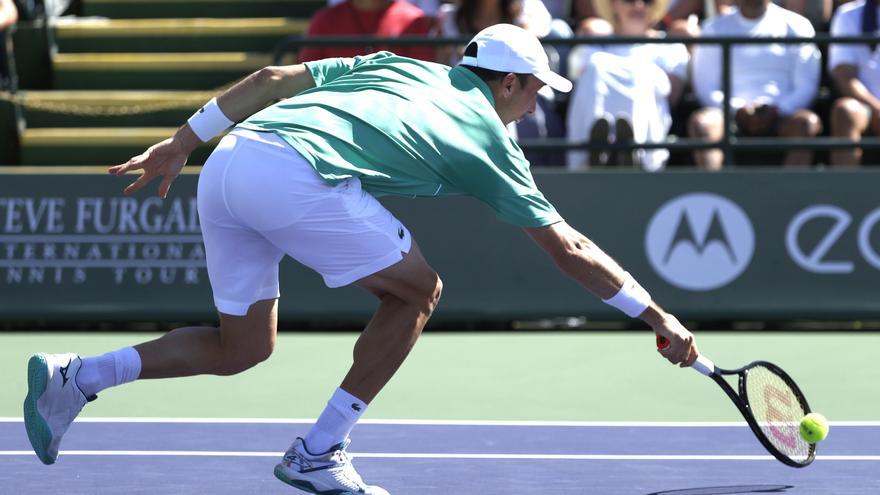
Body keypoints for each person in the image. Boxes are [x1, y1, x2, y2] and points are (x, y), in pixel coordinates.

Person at [23, 23, 699, 494]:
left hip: (229, 160)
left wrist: (182, 142)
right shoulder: (492, 141)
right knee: (419, 290)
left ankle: (76, 378)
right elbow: (570, 249)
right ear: (509, 84)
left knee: (243, 346)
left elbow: (271, 76)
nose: (532, 107)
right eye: (534, 92)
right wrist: (659, 316)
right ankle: (319, 450)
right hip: (293, 171)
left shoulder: (399, 64)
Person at [688, 0, 822, 169]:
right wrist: (736, 109)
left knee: (806, 124)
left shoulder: (798, 26)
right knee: (702, 124)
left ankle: (789, 193)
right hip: (729, 118)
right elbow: (705, 87)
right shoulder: (714, 28)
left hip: (783, 117)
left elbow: (806, 86)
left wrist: (778, 109)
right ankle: (718, 192)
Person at [566, 0, 691, 171]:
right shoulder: (593, 44)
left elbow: (672, 97)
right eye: (629, 0)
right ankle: (593, 154)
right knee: (596, 66)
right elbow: (576, 78)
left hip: (649, 138)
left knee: (640, 72)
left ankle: (634, 155)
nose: (638, 6)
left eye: (647, 1)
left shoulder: (671, 48)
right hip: (589, 153)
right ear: (613, 4)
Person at [828, 0, 880, 166]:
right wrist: (876, 107)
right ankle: (846, 192)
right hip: (867, 107)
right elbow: (845, 75)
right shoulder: (848, 15)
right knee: (846, 112)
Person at [297, 0, 436, 63]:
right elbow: (308, 75)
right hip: (336, 110)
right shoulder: (324, 19)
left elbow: (419, 79)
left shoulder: (413, 19)